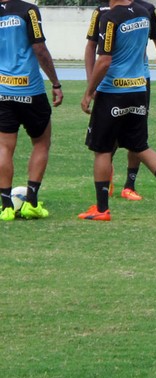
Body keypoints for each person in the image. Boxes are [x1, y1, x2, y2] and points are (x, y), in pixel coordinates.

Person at [79, 0, 156, 222]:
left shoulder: (110, 17)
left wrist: (89, 91)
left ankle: (102, 209)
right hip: (139, 88)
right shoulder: (143, 12)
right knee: (140, 146)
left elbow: (104, 60)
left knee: (102, 149)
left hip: (112, 91)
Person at [0, 0, 63, 221]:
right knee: (41, 142)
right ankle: (31, 204)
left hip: (2, 91)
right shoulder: (28, 10)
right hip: (30, 90)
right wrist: (55, 83)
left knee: (4, 146)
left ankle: (6, 207)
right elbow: (39, 47)